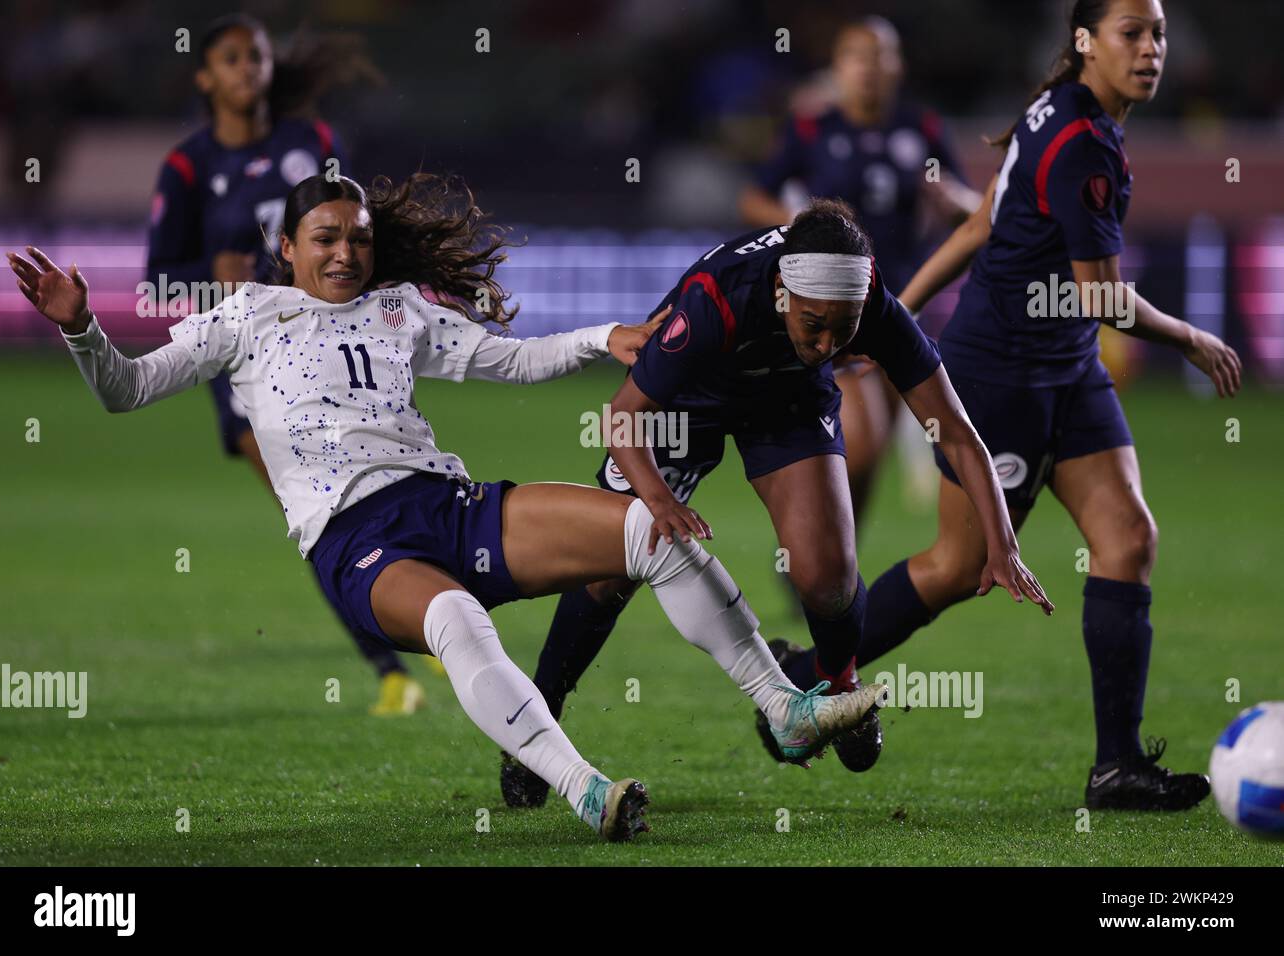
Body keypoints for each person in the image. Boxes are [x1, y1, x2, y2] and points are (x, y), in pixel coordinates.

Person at [8, 172, 886, 843]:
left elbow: (509, 361)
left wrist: (598, 337)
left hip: (449, 504)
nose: (346, 253)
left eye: (357, 237)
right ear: (288, 249)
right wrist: (80, 328)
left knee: (648, 531)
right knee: (459, 620)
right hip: (356, 543)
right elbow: (125, 391)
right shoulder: (242, 316)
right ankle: (587, 788)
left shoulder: (401, 310)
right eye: (326, 239)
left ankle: (785, 707)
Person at [500, 198, 1054, 809]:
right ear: (784, 293)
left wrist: (1002, 544)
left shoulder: (869, 307)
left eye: (842, 330)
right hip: (687, 401)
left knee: (827, 576)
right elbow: (624, 418)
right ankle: (537, 722)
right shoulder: (717, 301)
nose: (825, 343)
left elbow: (953, 428)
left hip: (786, 403)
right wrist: (658, 502)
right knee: (606, 572)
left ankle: (837, 687)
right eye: (814, 324)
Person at [857, 0, 1242, 810]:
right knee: (958, 568)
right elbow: (1100, 297)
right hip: (1000, 378)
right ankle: (803, 674)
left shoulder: (1061, 110)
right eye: (1130, 33)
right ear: (1084, 41)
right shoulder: (1079, 143)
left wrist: (887, 312)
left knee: (1128, 536)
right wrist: (1191, 339)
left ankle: (1117, 767)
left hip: (1065, 368)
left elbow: (982, 227)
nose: (1149, 50)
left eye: (1158, 34)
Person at [146, 14, 423, 714]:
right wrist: (210, 275)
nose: (248, 69)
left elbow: (358, 232)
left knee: (383, 486)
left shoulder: (313, 143)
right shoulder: (187, 167)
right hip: (247, 362)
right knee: (315, 511)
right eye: (232, 59)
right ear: (205, 77)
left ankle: (424, 623)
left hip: (333, 349)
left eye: (257, 57)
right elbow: (157, 285)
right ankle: (391, 669)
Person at [740, 16, 982, 522]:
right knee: (864, 444)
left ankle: (833, 563)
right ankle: (811, 554)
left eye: (881, 56)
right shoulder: (812, 128)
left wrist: (950, 197)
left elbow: (972, 210)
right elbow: (753, 198)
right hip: (835, 305)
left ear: (898, 66)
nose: (869, 68)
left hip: (900, 306)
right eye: (857, 56)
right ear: (838, 67)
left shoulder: (923, 128)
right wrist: (801, 226)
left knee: (871, 459)